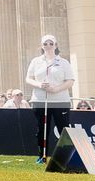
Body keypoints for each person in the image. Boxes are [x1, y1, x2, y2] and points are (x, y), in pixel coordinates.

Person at [24, 33, 76, 162]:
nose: (48, 46)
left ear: (56, 45)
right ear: (42, 46)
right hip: (40, 100)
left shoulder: (63, 62)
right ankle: (42, 156)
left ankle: (66, 156)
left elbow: (70, 81)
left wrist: (56, 89)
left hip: (60, 101)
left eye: (51, 44)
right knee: (42, 129)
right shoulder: (36, 61)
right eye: (45, 44)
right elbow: (28, 79)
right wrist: (40, 84)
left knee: (63, 129)